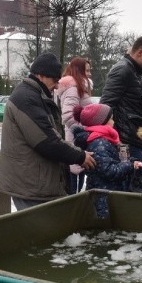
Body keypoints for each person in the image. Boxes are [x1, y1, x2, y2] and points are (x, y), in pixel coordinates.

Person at [0, 52, 95, 210]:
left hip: (34, 182)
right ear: (41, 75)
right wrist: (80, 156)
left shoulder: (35, 95)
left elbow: (51, 135)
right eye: (55, 80)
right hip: (30, 185)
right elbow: (46, 141)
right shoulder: (27, 98)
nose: (57, 85)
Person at [100, 35, 142, 193]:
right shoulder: (123, 70)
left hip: (134, 137)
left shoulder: (136, 72)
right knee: (136, 186)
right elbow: (106, 105)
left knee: (138, 184)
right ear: (140, 52)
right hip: (125, 140)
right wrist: (112, 137)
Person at [72, 102, 142, 217]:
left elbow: (120, 159)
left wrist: (131, 160)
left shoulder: (110, 138)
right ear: (102, 122)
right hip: (104, 200)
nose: (114, 121)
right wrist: (130, 165)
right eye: (111, 118)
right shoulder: (98, 143)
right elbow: (109, 171)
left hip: (112, 195)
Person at [56, 56, 94, 194]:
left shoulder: (79, 86)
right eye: (87, 70)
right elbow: (67, 115)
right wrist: (80, 130)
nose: (89, 74)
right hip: (75, 136)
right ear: (79, 70)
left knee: (78, 172)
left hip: (78, 135)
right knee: (74, 177)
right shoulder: (73, 88)